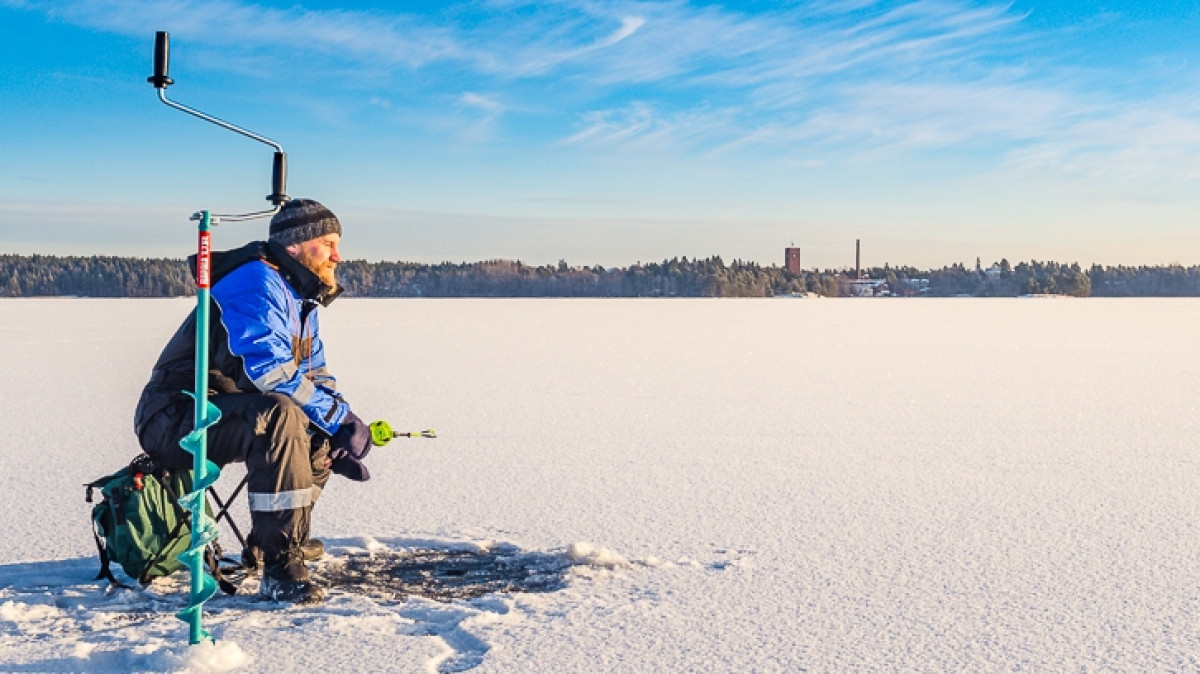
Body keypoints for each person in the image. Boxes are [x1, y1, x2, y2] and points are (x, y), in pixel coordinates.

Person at [134, 198, 374, 604]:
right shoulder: (255, 283)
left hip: (227, 412)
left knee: (313, 424)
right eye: (328, 243)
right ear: (296, 245)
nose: (338, 255)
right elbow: (270, 371)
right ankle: (282, 568)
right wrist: (338, 417)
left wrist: (342, 423)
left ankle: (274, 542)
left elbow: (315, 374)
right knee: (281, 415)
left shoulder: (301, 298)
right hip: (176, 417)